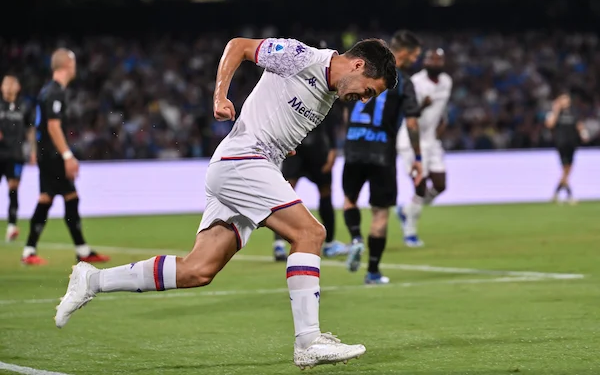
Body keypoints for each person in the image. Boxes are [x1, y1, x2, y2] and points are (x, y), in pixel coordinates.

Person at [55, 37, 398, 369]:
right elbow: (239, 46)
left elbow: (277, 113)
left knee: (197, 270)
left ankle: (92, 281)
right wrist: (220, 96)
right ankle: (308, 341)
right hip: (242, 161)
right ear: (358, 65)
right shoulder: (301, 57)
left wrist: (283, 146)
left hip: (250, 167)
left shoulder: (329, 94)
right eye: (369, 91)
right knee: (310, 233)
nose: (364, 100)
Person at [342, 30, 423, 284]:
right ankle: (373, 272)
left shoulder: (362, 71)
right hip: (382, 153)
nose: (415, 61)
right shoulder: (403, 81)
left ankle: (355, 237)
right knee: (380, 213)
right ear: (405, 53)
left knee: (349, 200)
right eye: (415, 56)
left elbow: (345, 110)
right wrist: (418, 158)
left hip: (354, 146)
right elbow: (412, 124)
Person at [21, 48, 110, 265]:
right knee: (70, 197)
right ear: (68, 65)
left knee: (47, 198)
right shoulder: (55, 92)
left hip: (45, 153)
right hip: (53, 154)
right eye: (74, 63)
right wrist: (67, 155)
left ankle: (30, 250)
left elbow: (37, 125)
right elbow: (53, 126)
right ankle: (81, 250)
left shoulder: (46, 91)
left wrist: (35, 150)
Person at [272, 107, 348, 261]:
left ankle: (328, 243)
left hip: (308, 149)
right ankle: (280, 244)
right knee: (286, 194)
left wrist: (333, 150)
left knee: (319, 192)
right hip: (306, 150)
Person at [396, 48, 453, 246]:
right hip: (411, 140)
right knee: (420, 186)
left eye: (439, 59)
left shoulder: (446, 81)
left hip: (431, 140)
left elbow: (442, 107)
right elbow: (407, 113)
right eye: (431, 59)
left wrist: (443, 122)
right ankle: (410, 232)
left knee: (440, 185)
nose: (435, 63)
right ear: (425, 62)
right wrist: (423, 106)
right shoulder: (416, 82)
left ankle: (407, 210)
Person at [0, 74, 35, 242]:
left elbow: (31, 130)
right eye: (6, 84)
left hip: (16, 154)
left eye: (12, 84)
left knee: (13, 187)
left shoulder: (24, 106)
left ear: (18, 87)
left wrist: (33, 151)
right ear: (1, 87)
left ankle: (12, 226)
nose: (8, 87)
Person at [545, 93, 589, 204]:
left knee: (568, 170)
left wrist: (583, 133)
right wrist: (556, 110)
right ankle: (569, 195)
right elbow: (550, 124)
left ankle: (556, 193)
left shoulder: (573, 112)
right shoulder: (554, 113)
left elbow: (578, 124)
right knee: (565, 169)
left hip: (572, 143)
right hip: (561, 144)